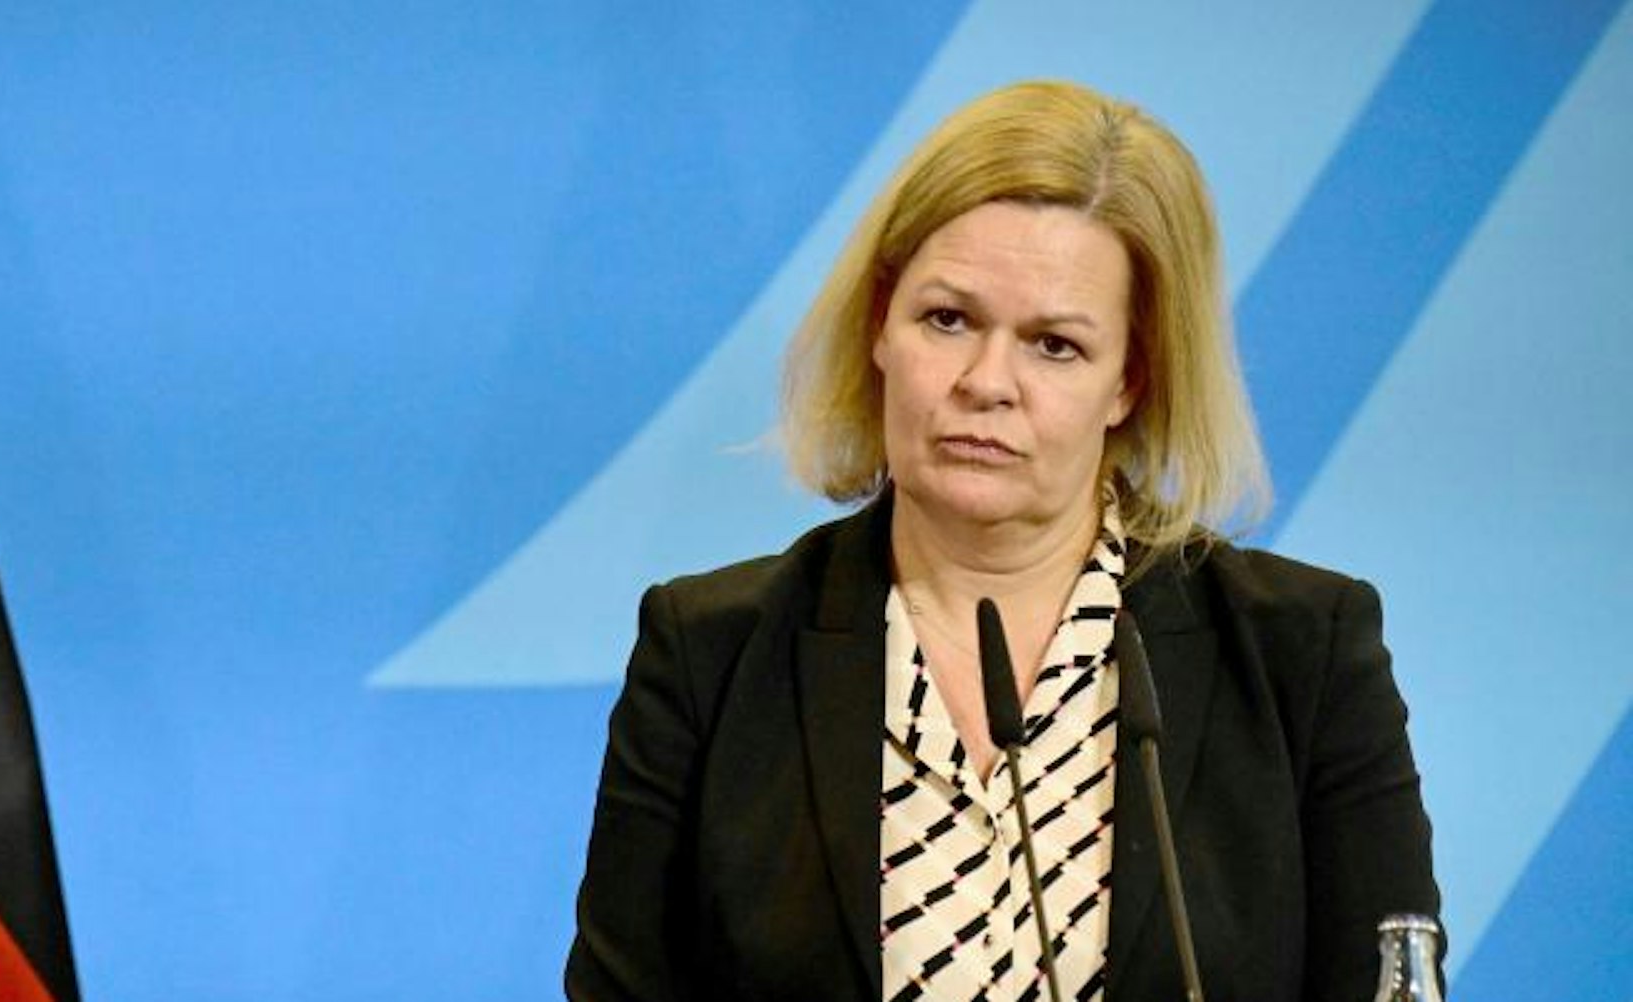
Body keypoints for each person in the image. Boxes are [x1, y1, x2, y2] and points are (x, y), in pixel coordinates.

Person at [564, 79, 1439, 1002]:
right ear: (880, 326)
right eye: (947, 320)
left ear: (1130, 380)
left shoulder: (1300, 655)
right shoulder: (709, 655)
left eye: (1054, 344)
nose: (986, 382)